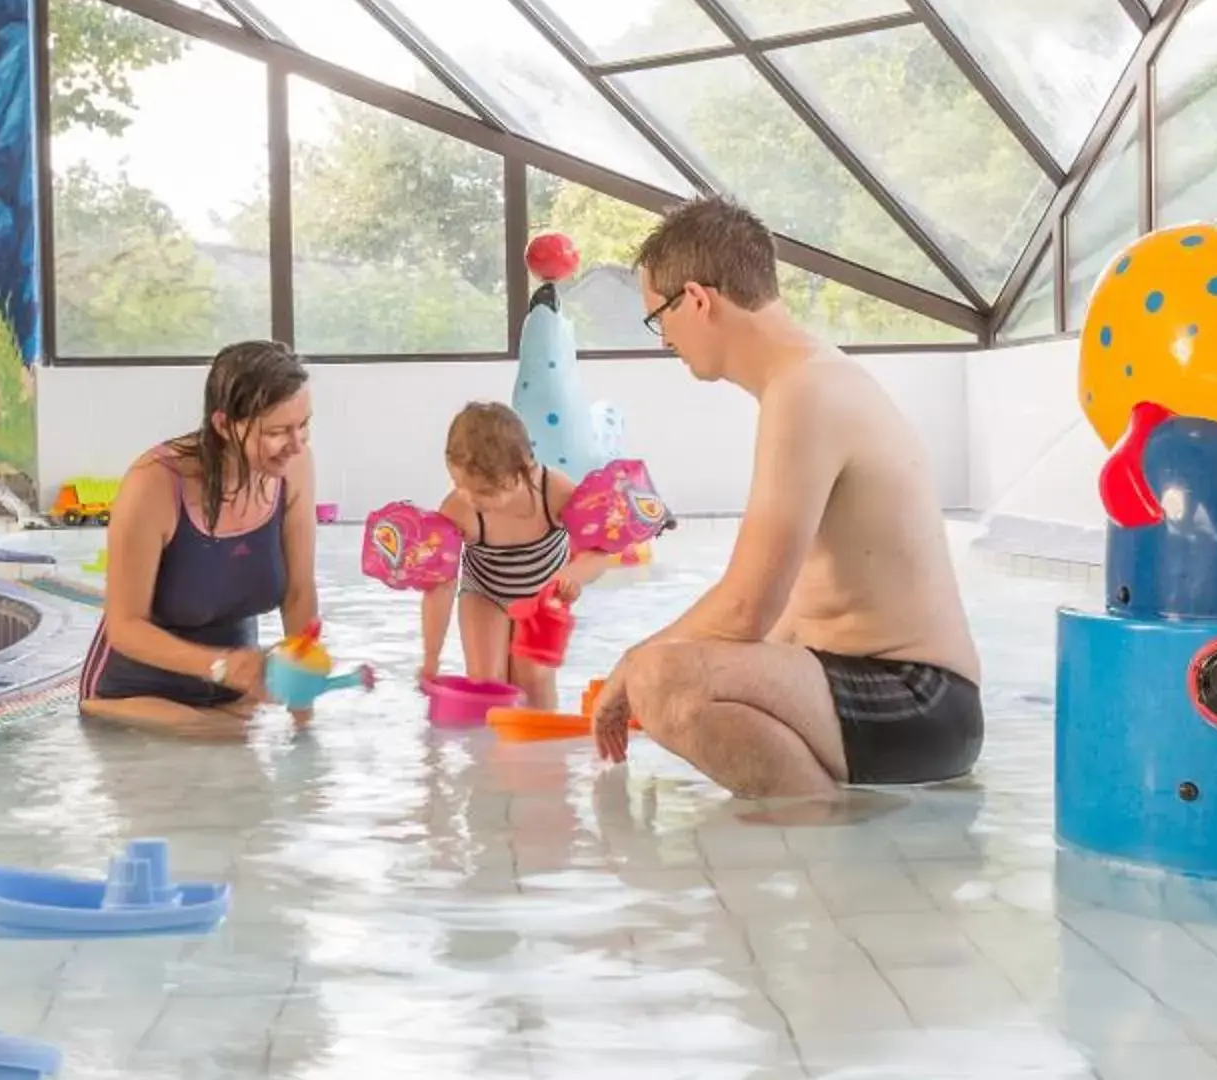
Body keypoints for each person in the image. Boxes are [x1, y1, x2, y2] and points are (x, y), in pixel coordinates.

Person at [590, 199, 983, 796]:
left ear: (697, 300)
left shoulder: (807, 393)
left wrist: (633, 665)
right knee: (675, 672)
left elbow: (749, 609)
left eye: (658, 318)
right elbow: (780, 618)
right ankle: (807, 840)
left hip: (917, 699)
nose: (663, 338)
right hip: (895, 695)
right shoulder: (807, 383)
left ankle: (821, 840)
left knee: (659, 678)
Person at [79, 340, 321, 734]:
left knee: (238, 744)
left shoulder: (293, 466)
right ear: (224, 425)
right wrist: (223, 666)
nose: (296, 445)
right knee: (218, 740)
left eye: (304, 424)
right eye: (277, 431)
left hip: (232, 696)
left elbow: (298, 591)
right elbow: (124, 626)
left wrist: (303, 692)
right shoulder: (155, 484)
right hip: (133, 698)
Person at [417, 400, 611, 712]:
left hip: (540, 597)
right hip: (485, 594)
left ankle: (541, 750)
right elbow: (440, 586)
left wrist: (573, 576)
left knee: (533, 679)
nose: (470, 497)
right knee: (486, 684)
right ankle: (492, 754)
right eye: (459, 483)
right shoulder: (458, 509)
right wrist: (431, 657)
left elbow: (599, 550)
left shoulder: (555, 492)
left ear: (525, 468)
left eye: (485, 490)